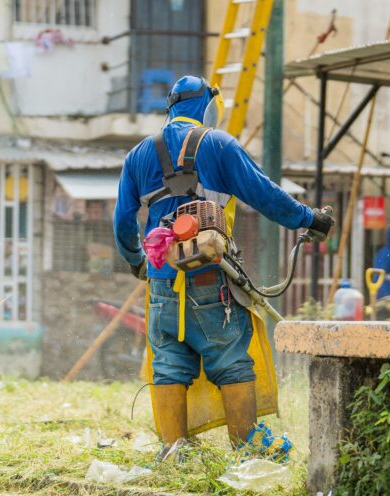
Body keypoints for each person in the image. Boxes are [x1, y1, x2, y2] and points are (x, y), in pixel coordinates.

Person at [113, 75, 333, 454]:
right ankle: (246, 447)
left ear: (171, 108)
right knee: (231, 361)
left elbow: (121, 222)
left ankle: (173, 449)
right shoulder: (218, 144)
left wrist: (138, 263)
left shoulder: (138, 155)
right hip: (211, 279)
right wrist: (308, 219)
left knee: (168, 364)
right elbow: (265, 194)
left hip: (163, 285)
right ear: (206, 106)